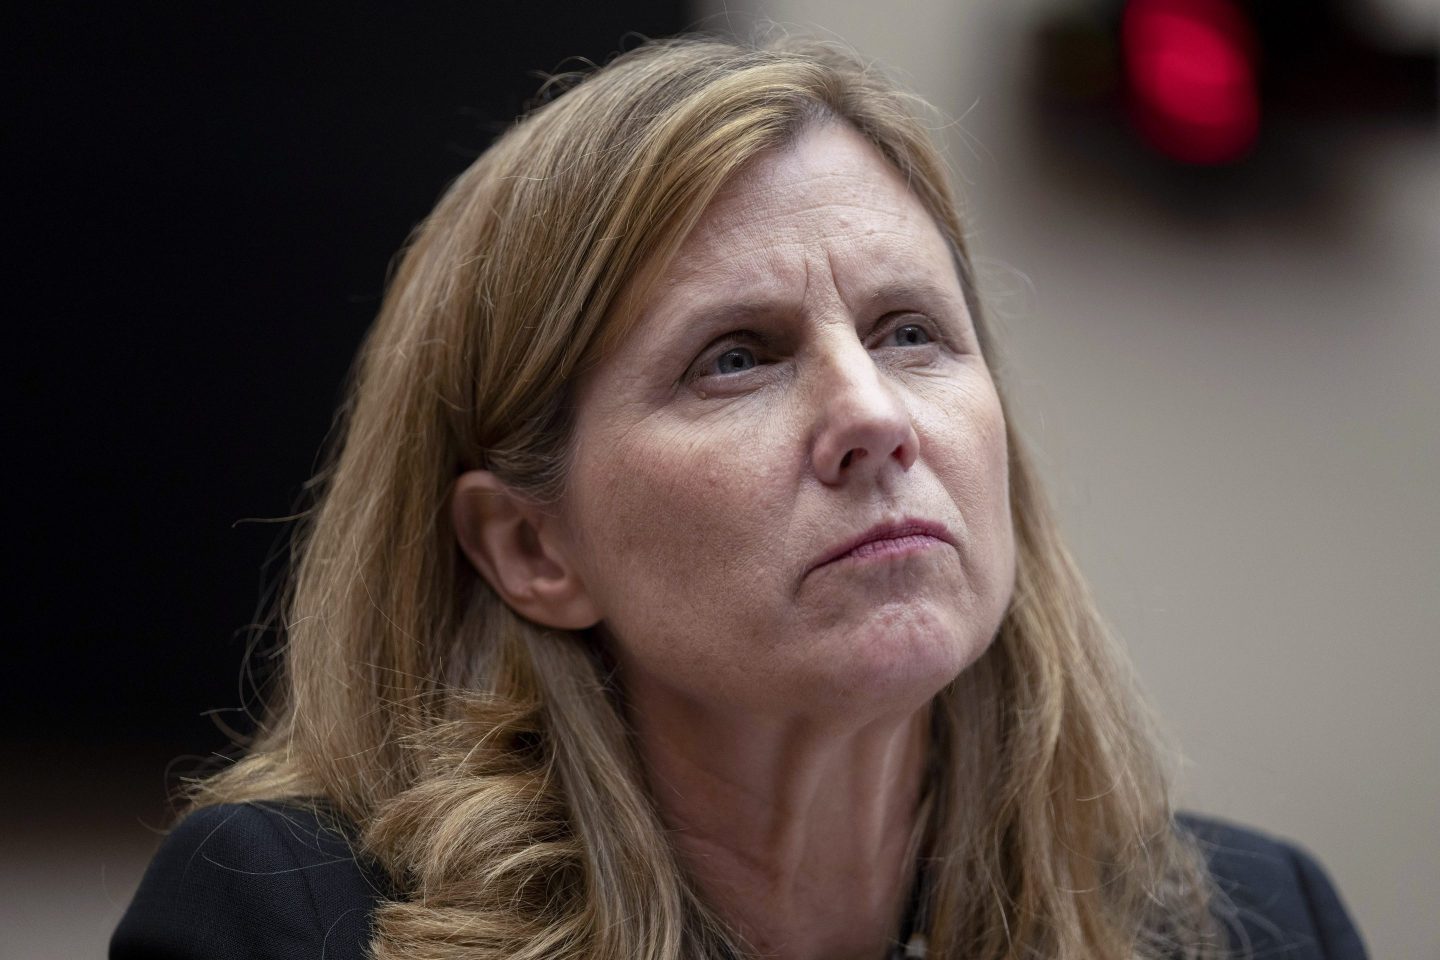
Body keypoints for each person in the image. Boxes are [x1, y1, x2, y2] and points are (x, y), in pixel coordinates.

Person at [111, 34, 1368, 960]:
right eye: (738, 357)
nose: (873, 417)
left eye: (912, 332)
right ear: (531, 547)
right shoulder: (282, 925)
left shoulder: (1260, 928)